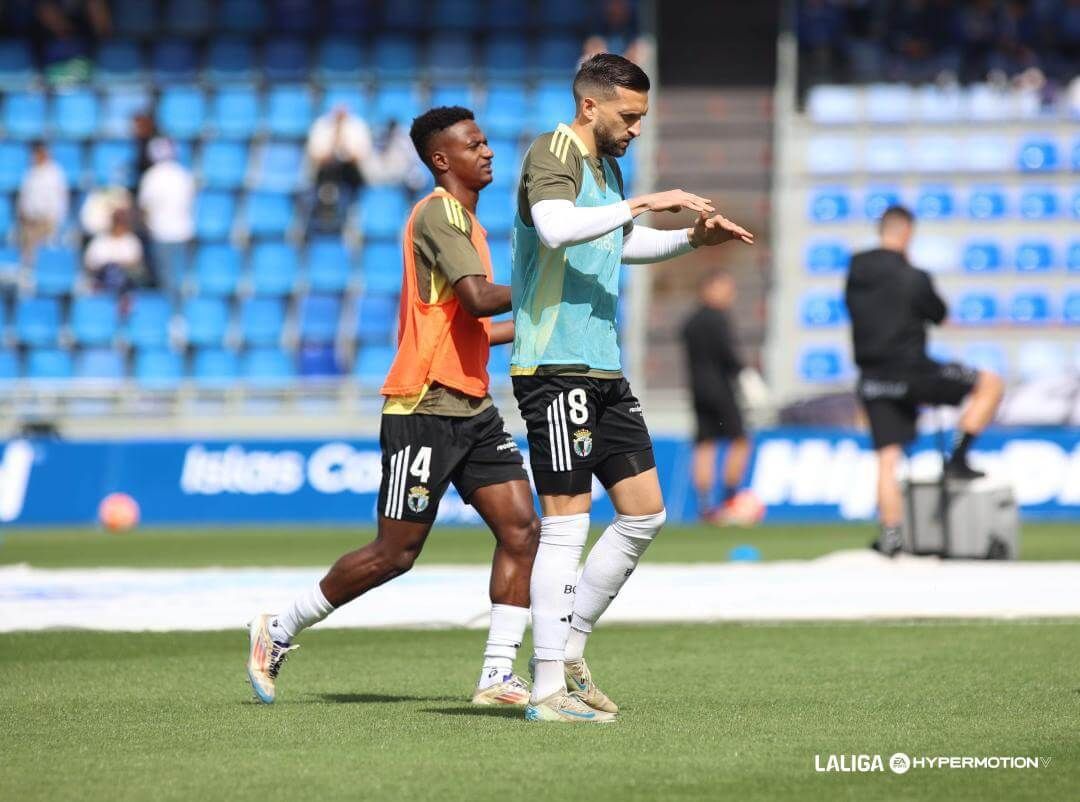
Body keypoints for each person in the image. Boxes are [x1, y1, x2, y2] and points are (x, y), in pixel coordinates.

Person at [247, 107, 542, 710]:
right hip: (423, 406)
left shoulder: (469, 224)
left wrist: (539, 325)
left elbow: (471, 330)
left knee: (522, 529)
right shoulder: (437, 213)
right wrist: (551, 282)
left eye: (486, 141)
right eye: (474, 144)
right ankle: (277, 630)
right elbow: (480, 299)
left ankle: (496, 676)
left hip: (472, 406)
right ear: (442, 160)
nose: (488, 151)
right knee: (395, 554)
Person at [511, 53, 753, 722]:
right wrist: (646, 201)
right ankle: (546, 687)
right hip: (553, 365)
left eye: (642, 118)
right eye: (629, 116)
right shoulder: (551, 151)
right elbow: (558, 230)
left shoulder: (608, 168)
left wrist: (688, 241)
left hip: (601, 367)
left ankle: (572, 653)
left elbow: (617, 243)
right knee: (565, 526)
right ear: (590, 106)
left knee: (645, 511)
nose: (637, 129)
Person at [844, 205, 1004, 556]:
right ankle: (957, 458)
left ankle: (891, 537)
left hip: (872, 378)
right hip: (914, 372)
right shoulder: (912, 275)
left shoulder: (856, 269)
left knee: (887, 460)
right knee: (990, 384)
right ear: (907, 233)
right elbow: (939, 314)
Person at [681, 269, 757, 523]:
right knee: (740, 440)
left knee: (705, 444)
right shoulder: (717, 319)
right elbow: (728, 355)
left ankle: (704, 506)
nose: (730, 294)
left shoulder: (690, 322)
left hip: (698, 390)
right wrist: (745, 375)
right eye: (726, 288)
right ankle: (729, 498)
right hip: (721, 390)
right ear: (710, 288)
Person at [137, 137, 195, 305]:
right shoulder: (183, 174)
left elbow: (145, 207)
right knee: (181, 276)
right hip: (184, 231)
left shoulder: (152, 176)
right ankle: (180, 314)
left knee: (167, 279)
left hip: (162, 233)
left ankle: (172, 316)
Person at [305, 104, 373, 234]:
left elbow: (362, 155)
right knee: (324, 173)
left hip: (351, 172)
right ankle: (325, 214)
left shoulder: (358, 126)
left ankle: (350, 214)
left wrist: (345, 150)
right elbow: (315, 154)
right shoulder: (321, 125)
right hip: (326, 172)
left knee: (352, 175)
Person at [17, 141, 69, 261]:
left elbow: (61, 199)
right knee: (29, 255)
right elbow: (24, 197)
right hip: (30, 221)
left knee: (47, 253)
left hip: (48, 221)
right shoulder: (30, 172)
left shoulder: (55, 173)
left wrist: (56, 218)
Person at [84, 207, 145, 293]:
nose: (119, 225)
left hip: (126, 280)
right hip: (102, 277)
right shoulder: (100, 240)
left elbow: (136, 264)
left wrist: (120, 265)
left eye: (122, 222)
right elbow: (90, 264)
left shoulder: (132, 240)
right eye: (117, 221)